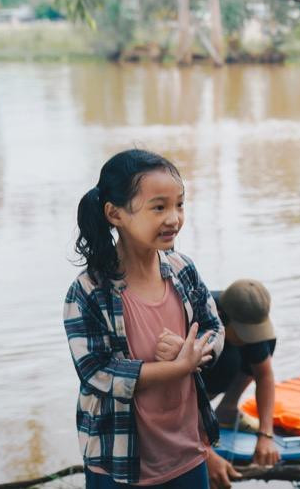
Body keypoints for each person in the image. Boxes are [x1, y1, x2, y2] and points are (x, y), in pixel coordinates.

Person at [64, 149, 224, 488]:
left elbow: (213, 327)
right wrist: (178, 367)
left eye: (179, 205)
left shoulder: (182, 269)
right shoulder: (89, 291)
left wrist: (192, 349)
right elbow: (97, 372)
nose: (173, 219)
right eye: (159, 207)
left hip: (188, 452)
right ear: (115, 214)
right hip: (118, 462)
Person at [159, 280, 280, 488]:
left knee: (262, 347)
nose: (250, 338)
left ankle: (227, 410)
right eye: (245, 332)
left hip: (218, 361)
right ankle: (201, 422)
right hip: (181, 386)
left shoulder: (247, 316)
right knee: (228, 361)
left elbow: (264, 375)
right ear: (222, 316)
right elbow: (167, 400)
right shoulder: (193, 318)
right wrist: (206, 454)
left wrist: (266, 435)